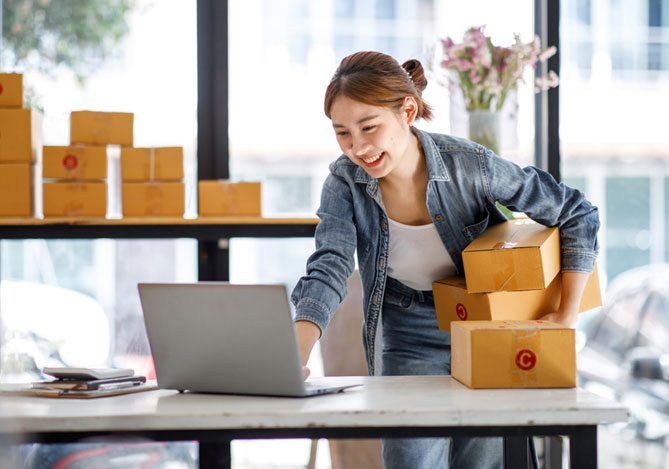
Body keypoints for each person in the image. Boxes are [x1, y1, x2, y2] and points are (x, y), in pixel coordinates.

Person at [290, 51, 599, 469]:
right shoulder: (343, 182)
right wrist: (296, 355)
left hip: (483, 325)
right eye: (342, 132)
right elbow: (329, 265)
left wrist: (566, 315)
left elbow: (576, 211)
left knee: (484, 462)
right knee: (411, 460)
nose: (358, 147)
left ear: (408, 111)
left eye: (369, 127)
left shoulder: (469, 165)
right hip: (408, 329)